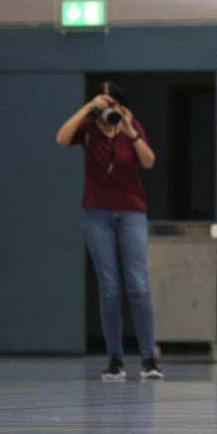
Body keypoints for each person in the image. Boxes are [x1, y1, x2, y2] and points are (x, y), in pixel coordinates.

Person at [55, 81, 164, 381]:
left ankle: (147, 358)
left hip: (131, 212)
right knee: (110, 286)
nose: (107, 113)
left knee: (138, 284)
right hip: (97, 214)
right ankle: (115, 358)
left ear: (121, 106)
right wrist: (88, 109)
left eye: (110, 106)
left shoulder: (131, 126)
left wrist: (129, 129)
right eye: (103, 108)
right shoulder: (89, 129)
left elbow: (149, 161)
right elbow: (62, 138)